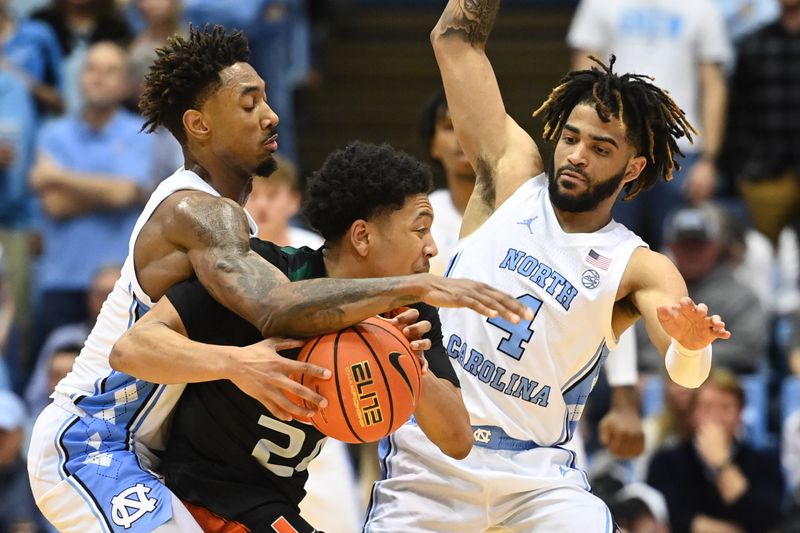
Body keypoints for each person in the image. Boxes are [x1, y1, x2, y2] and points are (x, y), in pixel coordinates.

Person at [27, 26, 528, 533]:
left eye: (266, 98)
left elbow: (458, 436)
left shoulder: (233, 224)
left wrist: (404, 352)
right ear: (199, 124)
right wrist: (410, 287)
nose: (271, 114)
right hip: (93, 438)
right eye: (249, 104)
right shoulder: (199, 212)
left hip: (151, 453)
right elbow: (275, 306)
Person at [363, 1, 732, 531]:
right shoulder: (511, 176)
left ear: (634, 166)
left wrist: (692, 347)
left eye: (601, 148)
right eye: (571, 138)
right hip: (431, 459)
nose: (577, 155)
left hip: (538, 478)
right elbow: (454, 41)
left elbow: (683, 368)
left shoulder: (637, 266)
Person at [110, 141, 474, 532]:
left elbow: (457, 440)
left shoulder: (407, 315)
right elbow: (130, 349)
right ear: (363, 237)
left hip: (273, 501)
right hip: (201, 496)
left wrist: (408, 363)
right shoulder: (266, 278)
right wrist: (237, 364)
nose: (432, 246)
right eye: (420, 230)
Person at [567, 0, 731, 251]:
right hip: (613, 145)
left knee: (679, 254)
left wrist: (709, 160)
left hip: (679, 152)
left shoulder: (702, 7)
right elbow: (584, 75)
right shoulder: (599, 3)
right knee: (604, 249)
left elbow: (714, 86)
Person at [647, 369, 784, 532]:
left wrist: (722, 464)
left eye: (726, 408)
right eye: (707, 407)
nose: (716, 417)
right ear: (693, 414)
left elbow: (764, 517)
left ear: (739, 414)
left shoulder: (764, 463)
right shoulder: (666, 462)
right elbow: (670, 518)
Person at [244, 153, 323, 248]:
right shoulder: (225, 252)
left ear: (293, 201)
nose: (261, 204)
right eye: (253, 195)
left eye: (272, 195)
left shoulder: (315, 248)